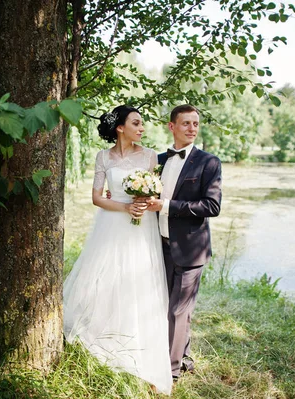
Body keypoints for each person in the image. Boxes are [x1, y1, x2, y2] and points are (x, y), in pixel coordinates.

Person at [63, 105, 172, 394]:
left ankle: (137, 348)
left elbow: (156, 193)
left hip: (140, 227)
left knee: (138, 281)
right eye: (136, 123)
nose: (142, 128)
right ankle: (102, 336)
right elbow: (97, 197)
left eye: (142, 123)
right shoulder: (103, 157)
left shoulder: (150, 156)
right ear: (120, 128)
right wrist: (124, 206)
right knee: (106, 277)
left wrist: (142, 203)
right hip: (111, 224)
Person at [146, 104, 222, 382]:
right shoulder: (158, 161)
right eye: (186, 123)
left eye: (195, 124)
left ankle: (171, 372)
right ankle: (184, 355)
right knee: (168, 306)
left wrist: (167, 205)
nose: (192, 128)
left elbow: (212, 206)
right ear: (172, 126)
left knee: (179, 310)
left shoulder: (208, 162)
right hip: (160, 244)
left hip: (191, 248)